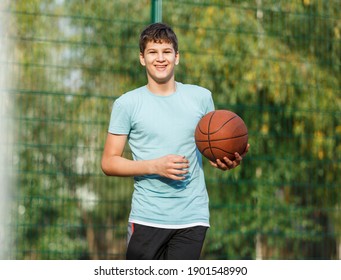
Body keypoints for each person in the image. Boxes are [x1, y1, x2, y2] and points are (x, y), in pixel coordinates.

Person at [101, 22, 249, 260]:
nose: (160, 58)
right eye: (153, 52)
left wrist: (227, 158)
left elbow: (212, 147)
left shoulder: (201, 97)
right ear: (142, 58)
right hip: (147, 216)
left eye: (166, 51)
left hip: (192, 216)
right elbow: (109, 162)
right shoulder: (126, 104)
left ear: (177, 57)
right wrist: (154, 166)